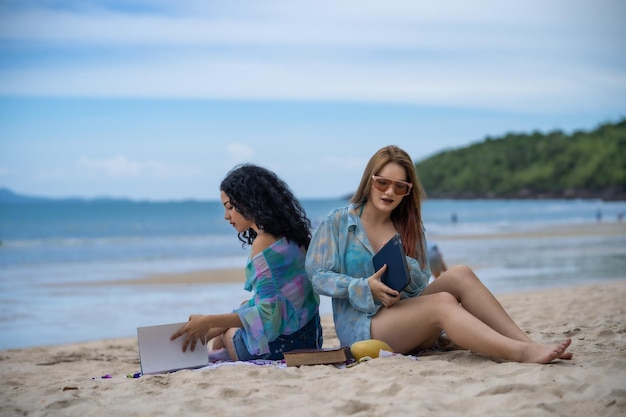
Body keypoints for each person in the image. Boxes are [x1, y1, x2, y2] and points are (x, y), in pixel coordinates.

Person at [305, 145, 572, 364]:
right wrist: (363, 286)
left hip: (406, 315)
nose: (389, 192)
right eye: (382, 182)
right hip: (364, 328)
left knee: (460, 274)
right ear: (369, 181)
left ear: (408, 190)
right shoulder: (338, 222)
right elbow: (318, 276)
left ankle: (527, 344)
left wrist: (404, 268)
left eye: (399, 187)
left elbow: (421, 283)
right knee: (443, 301)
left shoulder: (409, 226)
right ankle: (519, 353)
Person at [171, 164, 323, 361]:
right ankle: (217, 355)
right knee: (244, 306)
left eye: (230, 207)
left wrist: (209, 321)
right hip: (310, 339)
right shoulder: (294, 236)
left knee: (228, 332)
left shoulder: (263, 243)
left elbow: (266, 314)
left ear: (250, 202)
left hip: (281, 348)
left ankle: (215, 356)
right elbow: (276, 302)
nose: (227, 216)